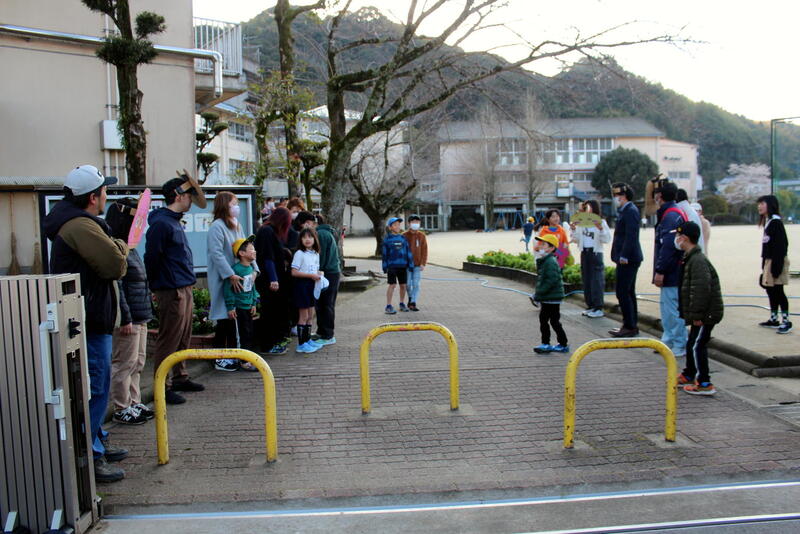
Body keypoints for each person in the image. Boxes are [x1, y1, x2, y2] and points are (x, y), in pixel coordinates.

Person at [43, 164, 129, 483]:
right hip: (88, 322)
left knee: (94, 386)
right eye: (104, 190)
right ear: (93, 197)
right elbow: (116, 265)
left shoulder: (76, 222)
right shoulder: (80, 226)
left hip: (87, 318)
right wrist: (121, 243)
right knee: (95, 388)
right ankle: (91, 454)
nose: (107, 195)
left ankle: (97, 442)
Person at [144, 175, 206, 405]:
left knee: (182, 336)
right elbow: (152, 257)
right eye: (189, 195)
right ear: (179, 196)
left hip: (182, 286)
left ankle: (180, 376)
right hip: (171, 289)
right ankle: (163, 385)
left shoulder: (172, 221)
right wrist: (157, 286)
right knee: (169, 338)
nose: (191, 200)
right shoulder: (162, 224)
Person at [105, 199, 153, 426]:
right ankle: (121, 406)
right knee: (124, 363)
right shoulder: (116, 248)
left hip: (140, 315)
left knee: (138, 362)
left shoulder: (131, 248)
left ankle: (135, 401)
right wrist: (125, 317)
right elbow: (118, 286)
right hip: (129, 318)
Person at [673, 222, 724, 396]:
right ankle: (689, 374)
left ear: (684, 238)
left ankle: (704, 383)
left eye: (678, 236)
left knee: (697, 345)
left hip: (705, 314)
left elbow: (701, 290)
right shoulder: (691, 258)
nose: (676, 239)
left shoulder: (698, 260)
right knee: (693, 343)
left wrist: (697, 315)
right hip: (701, 313)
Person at [207, 191, 247, 372]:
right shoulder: (217, 226)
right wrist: (229, 274)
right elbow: (216, 253)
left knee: (231, 317)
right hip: (223, 278)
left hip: (236, 276)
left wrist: (252, 268)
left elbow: (245, 246)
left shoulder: (236, 224)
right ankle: (219, 358)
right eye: (234, 203)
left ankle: (230, 356)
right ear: (225, 205)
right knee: (224, 317)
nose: (236, 207)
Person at [651, 179, 688, 356]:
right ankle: (669, 341)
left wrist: (660, 270)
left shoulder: (670, 216)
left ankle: (679, 343)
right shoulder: (674, 213)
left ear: (659, 196)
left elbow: (667, 247)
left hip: (672, 272)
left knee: (672, 310)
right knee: (668, 309)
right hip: (674, 269)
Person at [295, 212, 341, 345]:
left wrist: (313, 272)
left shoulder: (321, 234)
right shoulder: (327, 232)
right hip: (329, 273)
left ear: (311, 223)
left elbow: (320, 257)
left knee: (326, 305)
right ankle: (322, 332)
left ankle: (327, 335)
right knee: (322, 304)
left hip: (327, 273)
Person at [255, 207, 294, 354]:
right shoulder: (267, 231)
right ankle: (268, 345)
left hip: (271, 278)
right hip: (269, 280)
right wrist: (273, 278)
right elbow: (268, 257)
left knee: (272, 311)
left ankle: (272, 342)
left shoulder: (268, 231)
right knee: (269, 312)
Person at [609, 183, 644, 338]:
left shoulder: (630, 211)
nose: (615, 199)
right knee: (628, 292)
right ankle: (630, 324)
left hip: (628, 258)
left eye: (617, 196)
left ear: (623, 196)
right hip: (626, 257)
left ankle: (629, 325)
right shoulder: (626, 210)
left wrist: (624, 255)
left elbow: (631, 235)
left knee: (623, 291)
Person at [570, 199, 611, 318]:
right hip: (585, 252)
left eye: (588, 207)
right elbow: (576, 239)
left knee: (596, 280)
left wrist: (601, 229)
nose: (586, 210)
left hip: (596, 252)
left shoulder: (601, 221)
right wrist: (573, 229)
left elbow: (607, 239)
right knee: (586, 280)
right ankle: (590, 305)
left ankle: (598, 307)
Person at [757, 195, 792, 334]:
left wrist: (776, 267)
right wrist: (764, 265)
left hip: (776, 261)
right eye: (759, 204)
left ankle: (786, 321)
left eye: (762, 203)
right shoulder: (769, 222)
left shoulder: (776, 223)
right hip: (769, 261)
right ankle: (773, 318)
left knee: (778, 291)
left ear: (770, 205)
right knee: (770, 290)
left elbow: (781, 246)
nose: (759, 206)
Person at [224, 236, 260, 366]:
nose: (254, 251)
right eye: (251, 249)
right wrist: (230, 307)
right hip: (238, 308)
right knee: (241, 335)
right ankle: (243, 361)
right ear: (242, 253)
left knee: (249, 333)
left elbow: (252, 287)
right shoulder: (235, 270)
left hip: (248, 307)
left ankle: (247, 359)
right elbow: (228, 289)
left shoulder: (251, 269)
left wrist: (254, 303)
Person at [532, 234, 569, 354]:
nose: (541, 246)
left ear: (552, 248)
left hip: (552, 298)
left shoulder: (550, 262)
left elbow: (550, 281)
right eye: (541, 244)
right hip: (548, 298)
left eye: (544, 244)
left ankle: (561, 344)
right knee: (545, 320)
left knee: (552, 321)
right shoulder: (546, 260)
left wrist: (538, 294)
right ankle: (547, 343)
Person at [291, 228, 325, 353]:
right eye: (304, 237)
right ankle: (301, 345)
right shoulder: (299, 253)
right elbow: (294, 272)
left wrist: (319, 274)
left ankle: (308, 340)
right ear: (300, 239)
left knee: (311, 315)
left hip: (312, 286)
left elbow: (315, 270)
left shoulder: (315, 254)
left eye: (310, 237)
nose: (307, 239)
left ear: (315, 239)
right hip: (302, 286)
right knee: (304, 316)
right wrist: (311, 275)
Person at [382, 217, 414, 314]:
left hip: (403, 266)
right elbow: (384, 254)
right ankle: (388, 306)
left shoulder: (403, 238)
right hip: (392, 266)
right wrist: (384, 266)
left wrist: (410, 264)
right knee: (392, 285)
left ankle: (402, 303)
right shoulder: (387, 239)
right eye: (395, 225)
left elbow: (408, 252)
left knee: (403, 285)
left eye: (398, 224)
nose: (397, 226)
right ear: (390, 227)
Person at [403, 215, 428, 311]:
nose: (415, 224)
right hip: (407, 265)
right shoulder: (404, 235)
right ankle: (410, 298)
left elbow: (425, 250)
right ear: (409, 223)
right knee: (407, 284)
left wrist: (423, 263)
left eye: (417, 222)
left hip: (418, 265)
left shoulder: (422, 236)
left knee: (416, 284)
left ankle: (413, 302)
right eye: (413, 222)